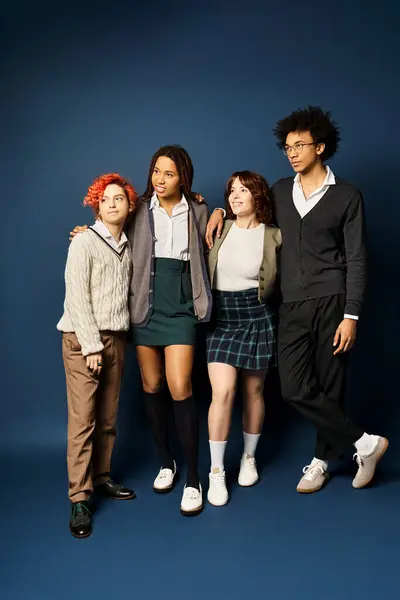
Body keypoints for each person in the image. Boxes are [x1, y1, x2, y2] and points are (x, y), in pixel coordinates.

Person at [206, 106, 389, 493]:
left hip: (333, 300)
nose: (291, 152)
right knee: (292, 387)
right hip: (291, 304)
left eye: (300, 145)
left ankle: (321, 462)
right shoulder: (276, 191)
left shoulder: (346, 196)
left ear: (320, 147)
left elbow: (356, 257)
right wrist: (218, 210)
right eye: (287, 146)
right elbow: (247, 203)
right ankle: (364, 443)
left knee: (331, 382)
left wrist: (351, 315)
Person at [70, 146, 211, 516]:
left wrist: (221, 211)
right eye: (156, 172)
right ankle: (167, 462)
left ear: (183, 178)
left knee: (181, 384)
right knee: (152, 385)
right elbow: (109, 227)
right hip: (144, 305)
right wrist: (86, 231)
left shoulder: (199, 210)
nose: (160, 180)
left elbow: (216, 237)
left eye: (169, 174)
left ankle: (194, 478)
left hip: (181, 304)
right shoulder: (138, 211)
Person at [57, 173, 137, 539]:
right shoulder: (84, 242)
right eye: (105, 199)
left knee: (108, 415)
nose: (112, 203)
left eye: (119, 198)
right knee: (83, 420)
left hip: (115, 338)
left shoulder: (129, 245)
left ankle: (102, 478)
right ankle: (80, 497)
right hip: (82, 339)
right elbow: (76, 296)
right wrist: (90, 346)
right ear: (96, 205)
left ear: (129, 205)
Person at [206, 171, 281, 507]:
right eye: (231, 191)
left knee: (254, 390)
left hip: (257, 313)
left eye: (243, 190)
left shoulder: (274, 234)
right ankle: (216, 471)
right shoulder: (218, 227)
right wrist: (215, 212)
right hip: (222, 316)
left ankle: (248, 457)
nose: (235, 196)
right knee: (222, 391)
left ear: (258, 196)